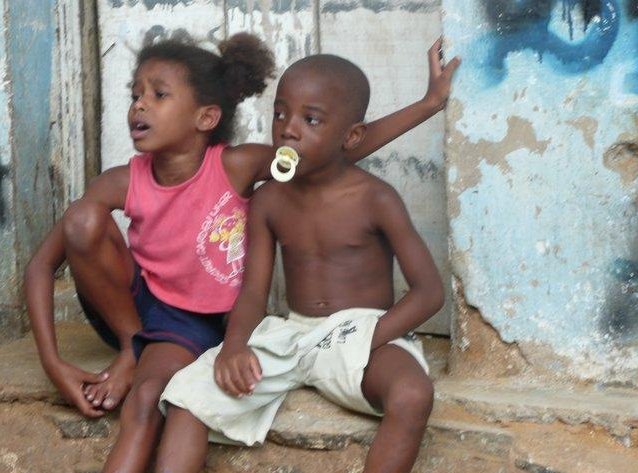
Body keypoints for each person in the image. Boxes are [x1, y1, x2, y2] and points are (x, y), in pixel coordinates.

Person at [24, 31, 458, 472]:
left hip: (258, 324)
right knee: (85, 223)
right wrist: (52, 360)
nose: (139, 104)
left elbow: (327, 151)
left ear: (207, 116)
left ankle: (139, 354)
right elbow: (42, 265)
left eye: (157, 95)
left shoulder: (242, 166)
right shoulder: (127, 182)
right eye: (135, 94)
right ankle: (129, 348)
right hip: (169, 319)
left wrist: (426, 105)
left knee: (151, 398)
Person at [155, 50, 452, 473]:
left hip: (363, 330)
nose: (288, 130)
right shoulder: (269, 199)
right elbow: (255, 290)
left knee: (411, 394)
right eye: (280, 114)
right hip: (292, 334)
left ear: (351, 137)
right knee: (187, 393)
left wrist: (370, 337)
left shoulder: (375, 199)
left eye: (311, 120)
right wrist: (235, 346)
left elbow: (429, 293)